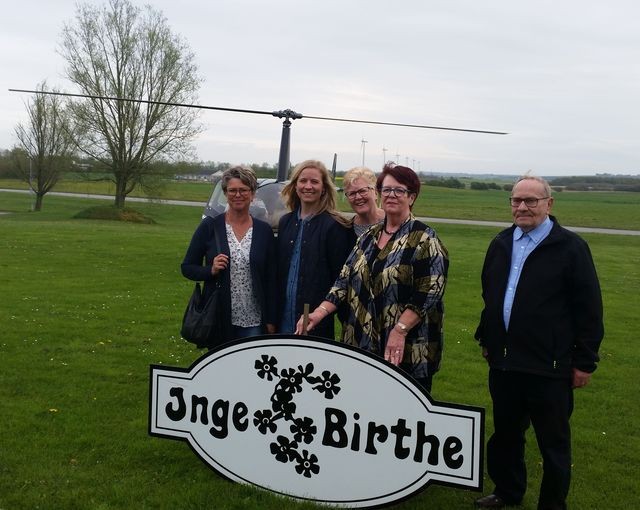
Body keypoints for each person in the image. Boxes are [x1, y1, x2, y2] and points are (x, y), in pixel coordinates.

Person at [474, 174, 604, 510]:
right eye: (516, 200)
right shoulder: (501, 243)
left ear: (549, 203)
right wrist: (487, 336)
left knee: (553, 443)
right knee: (506, 435)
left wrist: (585, 362)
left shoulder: (571, 248)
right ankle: (507, 491)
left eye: (531, 200)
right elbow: (491, 296)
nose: (522, 207)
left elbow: (589, 309)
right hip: (505, 363)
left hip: (550, 366)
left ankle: (552, 504)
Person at [296, 163, 449, 393]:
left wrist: (400, 330)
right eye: (387, 189)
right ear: (380, 193)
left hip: (406, 351)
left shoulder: (425, 239)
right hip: (362, 346)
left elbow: (429, 291)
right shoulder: (368, 237)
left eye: (399, 190)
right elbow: (343, 281)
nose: (391, 195)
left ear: (412, 197)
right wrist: (318, 313)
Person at [181, 166, 277, 344]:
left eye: (243, 190)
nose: (238, 195)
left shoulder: (264, 231)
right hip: (219, 318)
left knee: (252, 362)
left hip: (254, 321)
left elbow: (272, 279)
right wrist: (210, 270)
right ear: (225, 193)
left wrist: (271, 320)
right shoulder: (210, 227)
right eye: (232, 190)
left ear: (252, 194)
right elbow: (187, 268)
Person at [277, 159, 352, 339]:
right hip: (283, 318)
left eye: (314, 181)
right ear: (295, 186)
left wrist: (323, 312)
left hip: (316, 322)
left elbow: (340, 280)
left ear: (324, 188)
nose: (308, 186)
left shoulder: (335, 226)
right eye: (303, 181)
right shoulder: (285, 222)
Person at [342, 166, 385, 239]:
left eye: (362, 191)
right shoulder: (344, 231)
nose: (358, 197)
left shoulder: (395, 222)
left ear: (375, 192)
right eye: (352, 193)